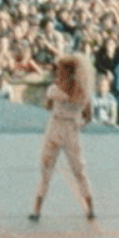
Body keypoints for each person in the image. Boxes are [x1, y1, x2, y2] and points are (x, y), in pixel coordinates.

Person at [29, 53, 95, 221]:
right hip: (71, 129)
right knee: (79, 169)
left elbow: (48, 106)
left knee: (46, 169)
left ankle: (37, 209)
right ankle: (90, 207)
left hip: (56, 127)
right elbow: (88, 117)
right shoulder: (83, 93)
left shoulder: (54, 90)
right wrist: (78, 123)